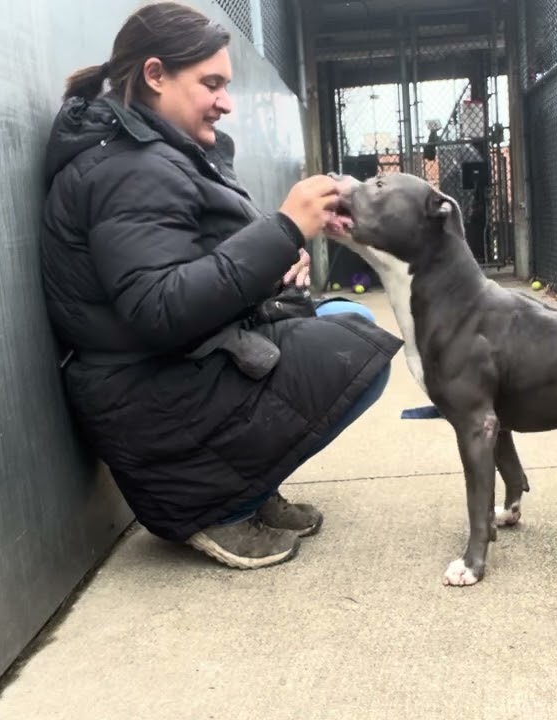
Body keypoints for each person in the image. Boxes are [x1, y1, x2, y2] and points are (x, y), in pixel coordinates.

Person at [37, 2, 403, 570]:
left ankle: (250, 487)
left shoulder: (157, 153)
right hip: (152, 395)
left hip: (177, 374)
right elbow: (158, 308)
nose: (226, 101)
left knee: (335, 321)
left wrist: (278, 263)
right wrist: (281, 229)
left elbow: (193, 267)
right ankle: (220, 507)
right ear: (155, 75)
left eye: (226, 84)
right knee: (351, 345)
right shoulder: (126, 168)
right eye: (211, 83)